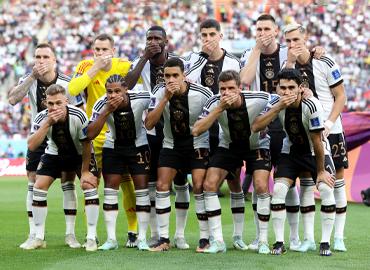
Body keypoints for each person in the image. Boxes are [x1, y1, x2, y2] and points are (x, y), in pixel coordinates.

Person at [240, 14, 325, 251]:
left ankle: (295, 237)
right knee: (260, 180)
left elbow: (295, 79)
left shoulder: (287, 52)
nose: (262, 33)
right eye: (258, 29)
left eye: (267, 28)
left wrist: (316, 50)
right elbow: (244, 81)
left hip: (284, 123)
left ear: (276, 31)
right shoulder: (249, 53)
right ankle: (260, 236)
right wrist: (257, 49)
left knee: (284, 180)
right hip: (261, 121)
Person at [252, 68, 336, 256]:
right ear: (278, 88)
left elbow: (316, 140)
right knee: (279, 190)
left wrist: (321, 171)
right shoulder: (276, 102)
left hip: (316, 152)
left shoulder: (311, 105)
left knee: (325, 188)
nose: (287, 92)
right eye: (283, 88)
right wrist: (278, 107)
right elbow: (256, 126)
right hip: (290, 151)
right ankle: (280, 242)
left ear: (300, 88)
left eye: (291, 88)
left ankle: (325, 243)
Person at [8, 43, 84, 249]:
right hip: (40, 134)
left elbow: (80, 111)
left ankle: (70, 234)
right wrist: (32, 76)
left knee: (68, 182)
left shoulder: (68, 83)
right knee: (33, 182)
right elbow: (13, 99)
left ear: (54, 61)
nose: (41, 61)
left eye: (45, 57)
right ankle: (35, 234)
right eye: (37, 57)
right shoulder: (29, 80)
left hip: (64, 138)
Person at [68, 34, 138, 247]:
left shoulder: (123, 65)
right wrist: (95, 68)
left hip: (119, 135)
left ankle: (133, 231)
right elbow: (72, 89)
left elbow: (142, 82)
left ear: (113, 50)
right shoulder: (85, 65)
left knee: (127, 185)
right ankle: (92, 233)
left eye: (104, 50)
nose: (99, 54)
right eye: (96, 50)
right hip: (94, 135)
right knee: (90, 184)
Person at [193, 70, 272, 254]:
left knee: (261, 186)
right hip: (228, 145)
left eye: (231, 88)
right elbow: (196, 129)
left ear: (240, 89)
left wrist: (304, 93)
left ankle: (262, 241)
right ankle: (219, 241)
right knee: (209, 184)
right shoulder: (214, 102)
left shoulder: (258, 98)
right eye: (223, 89)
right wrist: (219, 108)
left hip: (256, 145)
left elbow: (279, 98)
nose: (226, 92)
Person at [284, 23, 347, 252]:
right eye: (288, 41)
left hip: (333, 129)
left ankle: (338, 236)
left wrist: (329, 123)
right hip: (305, 134)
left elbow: (341, 97)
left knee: (336, 181)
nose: (292, 45)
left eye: (296, 40)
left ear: (305, 37)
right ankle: (309, 238)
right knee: (307, 181)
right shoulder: (287, 66)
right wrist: (289, 63)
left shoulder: (324, 61)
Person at [186, 19, 248, 250]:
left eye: (212, 34)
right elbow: (185, 79)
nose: (208, 39)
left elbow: (242, 89)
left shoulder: (233, 60)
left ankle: (238, 236)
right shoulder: (193, 58)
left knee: (234, 182)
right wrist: (202, 57)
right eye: (204, 35)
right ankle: (207, 236)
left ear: (220, 36)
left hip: (225, 129)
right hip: (202, 127)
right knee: (201, 184)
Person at [129, 26, 191, 249]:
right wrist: (144, 57)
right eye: (149, 38)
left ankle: (181, 235)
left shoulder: (179, 62)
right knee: (156, 184)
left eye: (157, 38)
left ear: (166, 41)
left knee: (182, 182)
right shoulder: (141, 62)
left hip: (178, 128)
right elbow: (126, 85)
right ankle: (157, 233)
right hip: (153, 131)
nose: (153, 41)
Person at [145, 57, 213, 252]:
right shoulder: (158, 93)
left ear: (184, 75)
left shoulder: (202, 93)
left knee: (199, 186)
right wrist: (165, 98)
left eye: (175, 75)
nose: (171, 79)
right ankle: (164, 238)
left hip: (197, 144)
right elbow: (149, 124)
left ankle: (204, 238)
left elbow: (213, 119)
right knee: (161, 185)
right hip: (171, 144)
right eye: (167, 76)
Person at [24, 84, 99, 251]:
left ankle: (90, 237)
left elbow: (87, 143)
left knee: (88, 186)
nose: (55, 107)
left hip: (80, 154)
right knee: (38, 186)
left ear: (66, 101)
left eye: (58, 103)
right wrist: (47, 123)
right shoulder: (41, 117)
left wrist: (85, 171)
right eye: (51, 104)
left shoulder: (78, 115)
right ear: (45, 103)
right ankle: (38, 237)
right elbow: (32, 145)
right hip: (55, 152)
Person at [87, 74, 151, 251]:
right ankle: (111, 239)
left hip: (138, 146)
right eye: (109, 91)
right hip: (113, 147)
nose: (113, 95)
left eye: (117, 91)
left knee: (142, 191)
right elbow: (90, 134)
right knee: (109, 190)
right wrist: (106, 110)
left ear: (126, 90)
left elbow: (159, 99)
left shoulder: (142, 97)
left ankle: (143, 238)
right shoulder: (102, 104)